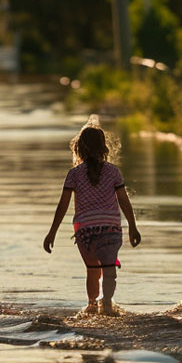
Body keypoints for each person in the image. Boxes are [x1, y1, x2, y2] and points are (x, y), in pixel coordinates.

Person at [44, 122, 141, 315]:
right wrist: (133, 226)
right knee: (109, 270)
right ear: (104, 148)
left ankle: (91, 306)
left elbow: (63, 205)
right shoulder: (113, 171)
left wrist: (52, 233)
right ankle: (107, 304)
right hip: (110, 229)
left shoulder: (74, 174)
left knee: (92, 271)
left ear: (78, 149)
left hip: (85, 231)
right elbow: (123, 200)